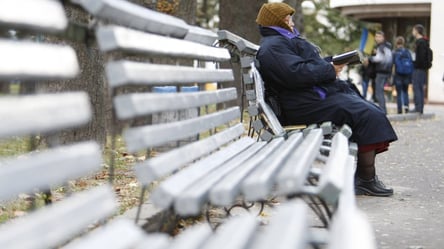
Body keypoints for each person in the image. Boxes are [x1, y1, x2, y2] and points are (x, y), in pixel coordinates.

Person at [255, 3, 397, 196]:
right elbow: (295, 74)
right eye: (289, 19)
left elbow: (302, 67)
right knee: (365, 114)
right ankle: (365, 179)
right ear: (279, 22)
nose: (292, 22)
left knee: (368, 110)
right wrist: (329, 69)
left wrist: (332, 63)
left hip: (308, 98)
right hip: (302, 104)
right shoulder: (273, 47)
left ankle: (365, 178)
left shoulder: (280, 42)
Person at [366, 31, 393, 114]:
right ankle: (383, 110)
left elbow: (379, 58)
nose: (377, 38)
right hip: (386, 71)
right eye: (376, 36)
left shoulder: (381, 47)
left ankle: (382, 111)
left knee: (379, 92)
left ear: (383, 37)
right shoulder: (388, 46)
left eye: (379, 37)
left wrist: (370, 58)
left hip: (381, 71)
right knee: (380, 91)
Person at [411, 24, 430, 114]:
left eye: (413, 30)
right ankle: (419, 108)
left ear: (417, 31)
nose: (412, 32)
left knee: (417, 88)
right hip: (421, 69)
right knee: (419, 88)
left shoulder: (420, 42)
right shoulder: (424, 42)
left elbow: (420, 57)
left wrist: (416, 64)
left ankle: (418, 108)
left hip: (418, 69)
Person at [392, 36, 413, 114]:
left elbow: (393, 64)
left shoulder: (394, 52)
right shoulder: (407, 52)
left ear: (396, 43)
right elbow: (411, 63)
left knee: (399, 92)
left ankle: (399, 109)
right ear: (403, 43)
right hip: (407, 74)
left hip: (398, 74)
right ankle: (406, 107)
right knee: (405, 91)